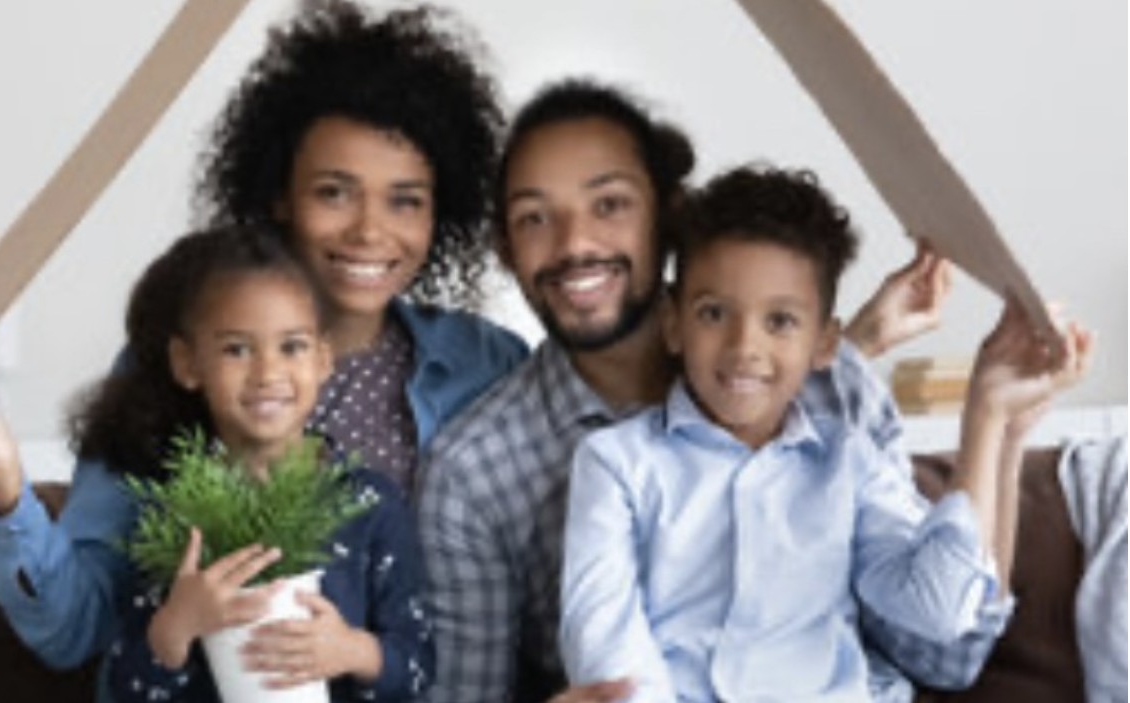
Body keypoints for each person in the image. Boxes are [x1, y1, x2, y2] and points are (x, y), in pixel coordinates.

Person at [0, 0, 523, 678]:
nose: (369, 231)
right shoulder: (172, 365)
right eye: (334, 192)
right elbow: (76, 629)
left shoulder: (486, 366)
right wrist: (4, 483)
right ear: (279, 195)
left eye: (405, 199)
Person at [414, 79, 998, 703]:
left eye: (608, 204)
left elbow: (949, 648)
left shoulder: (838, 410)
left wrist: (996, 421)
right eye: (535, 217)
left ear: (668, 215)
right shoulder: (479, 472)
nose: (575, 242)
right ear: (505, 247)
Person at [557, 165, 1092, 701]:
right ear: (673, 323)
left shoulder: (850, 461)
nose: (745, 346)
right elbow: (603, 644)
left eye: (781, 322)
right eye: (714, 313)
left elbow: (940, 612)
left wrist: (986, 417)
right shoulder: (614, 463)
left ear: (824, 346)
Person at [93, 226, 432, 702]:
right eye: (237, 349)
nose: (268, 373)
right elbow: (127, 689)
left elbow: (418, 667)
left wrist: (354, 651)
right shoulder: (172, 517)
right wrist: (174, 628)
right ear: (187, 363)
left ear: (322, 358)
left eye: (291, 346)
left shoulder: (369, 505)